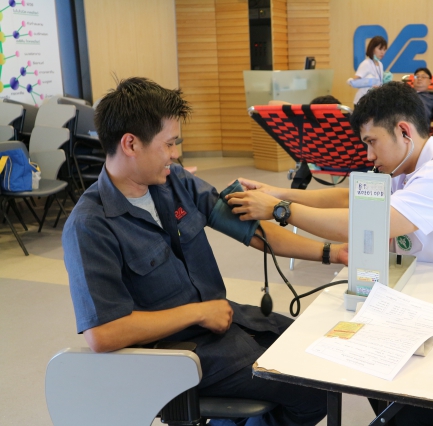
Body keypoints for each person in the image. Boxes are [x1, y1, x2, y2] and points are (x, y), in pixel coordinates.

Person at [61, 77, 348, 426]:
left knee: (319, 352)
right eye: (169, 144)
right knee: (314, 389)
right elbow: (103, 333)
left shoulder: (176, 182)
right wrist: (197, 313)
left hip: (224, 322)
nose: (175, 154)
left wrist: (333, 253)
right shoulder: (90, 225)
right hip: (176, 355)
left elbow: (254, 232)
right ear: (131, 144)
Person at [228, 82, 433, 272]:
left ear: (404, 131)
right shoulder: (406, 167)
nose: (369, 155)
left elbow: (364, 223)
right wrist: (279, 193)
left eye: (372, 142)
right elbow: (351, 198)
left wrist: (279, 210)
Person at [348, 35, 389, 105]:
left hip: (373, 101)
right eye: (380, 49)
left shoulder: (380, 64)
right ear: (372, 49)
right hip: (362, 101)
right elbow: (354, 81)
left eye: (384, 49)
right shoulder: (366, 63)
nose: (382, 52)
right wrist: (368, 84)